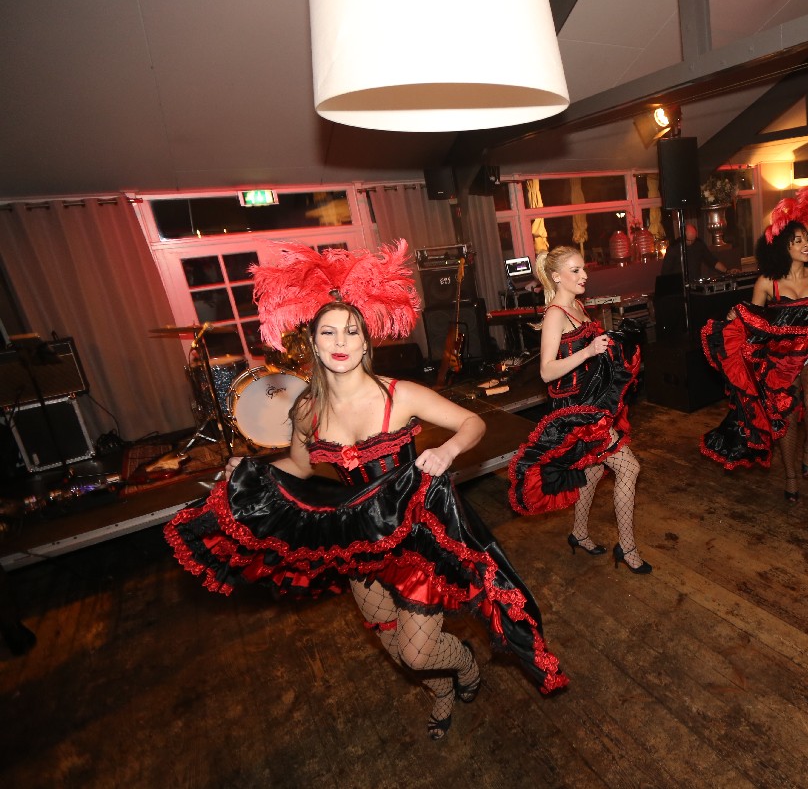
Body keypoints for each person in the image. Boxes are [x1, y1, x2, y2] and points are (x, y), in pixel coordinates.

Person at [165, 242, 568, 743]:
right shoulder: (307, 410)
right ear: (313, 345)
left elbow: (472, 423)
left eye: (351, 332)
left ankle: (465, 667)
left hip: (416, 533)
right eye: (328, 333)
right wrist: (249, 471)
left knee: (420, 652)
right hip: (358, 536)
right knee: (395, 647)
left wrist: (447, 452)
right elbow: (299, 465)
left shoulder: (399, 394)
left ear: (364, 343)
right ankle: (442, 691)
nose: (341, 342)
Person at [700, 184, 808, 502]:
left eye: (807, 240)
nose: (807, 245)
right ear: (781, 248)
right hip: (780, 360)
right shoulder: (767, 283)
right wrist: (736, 316)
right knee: (785, 418)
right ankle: (790, 475)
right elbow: (755, 319)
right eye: (797, 241)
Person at [508, 245, 651, 573]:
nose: (584, 275)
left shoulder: (577, 305)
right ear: (556, 277)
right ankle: (627, 548)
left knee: (593, 470)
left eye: (583, 268)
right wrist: (588, 352)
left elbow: (590, 354)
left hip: (591, 403)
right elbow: (547, 371)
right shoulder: (555, 314)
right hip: (573, 411)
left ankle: (579, 533)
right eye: (575, 270)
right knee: (629, 469)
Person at [660, 221, 732, 281]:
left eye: (693, 239)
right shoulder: (673, 248)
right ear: (682, 236)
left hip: (695, 282)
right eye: (689, 240)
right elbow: (665, 272)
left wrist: (727, 271)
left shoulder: (699, 244)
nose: (691, 242)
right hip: (679, 285)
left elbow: (712, 261)